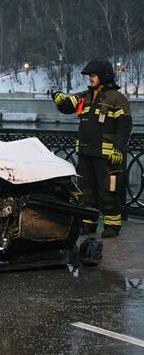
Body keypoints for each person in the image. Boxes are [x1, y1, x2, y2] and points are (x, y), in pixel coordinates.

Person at [53, 58, 132, 238]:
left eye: (93, 75)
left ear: (104, 76)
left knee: (108, 192)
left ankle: (112, 226)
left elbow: (124, 127)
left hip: (107, 155)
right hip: (86, 152)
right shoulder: (85, 96)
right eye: (89, 75)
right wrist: (58, 99)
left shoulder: (118, 99)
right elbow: (66, 106)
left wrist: (118, 149)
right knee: (86, 192)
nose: (90, 78)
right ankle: (87, 225)